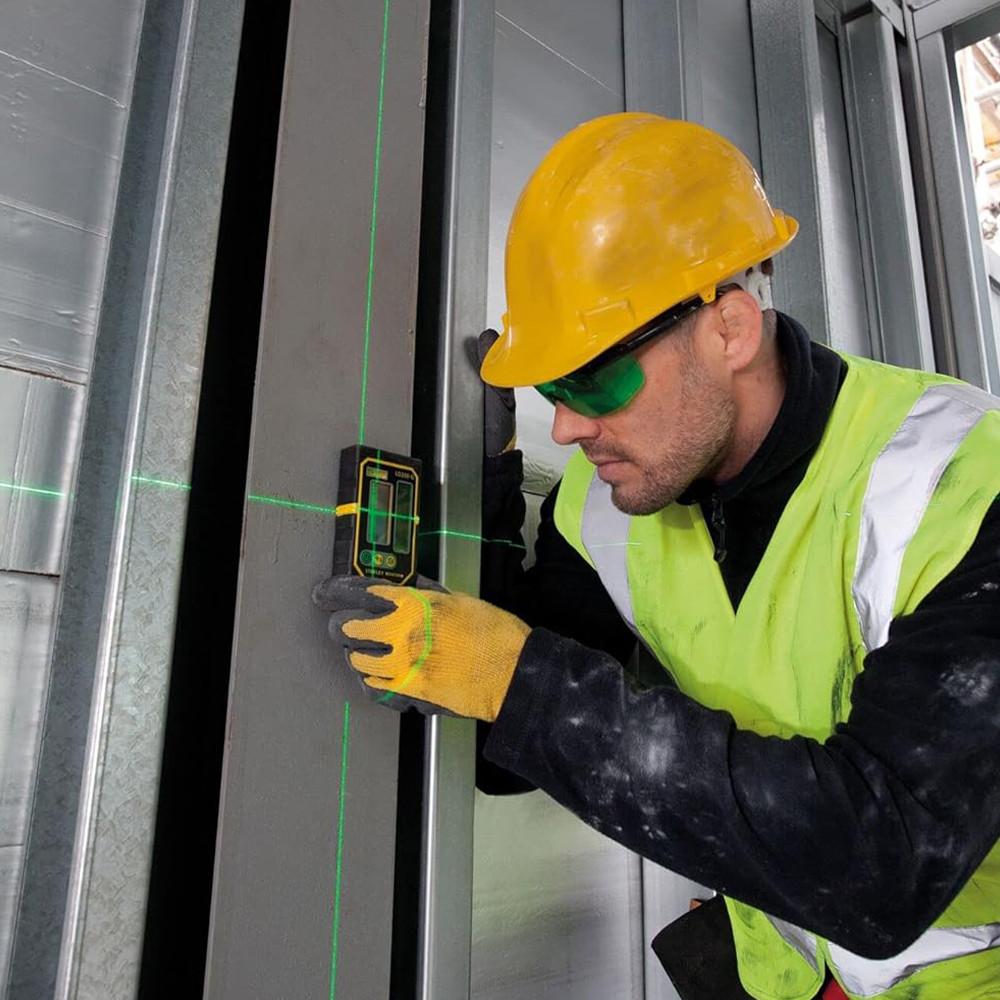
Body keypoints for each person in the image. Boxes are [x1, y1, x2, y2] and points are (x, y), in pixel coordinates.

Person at [312, 114, 1000, 1000]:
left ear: (730, 330)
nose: (567, 426)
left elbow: (883, 869)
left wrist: (517, 680)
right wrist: (485, 502)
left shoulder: (960, 483)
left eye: (594, 380)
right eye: (551, 388)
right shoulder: (605, 503)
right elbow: (511, 741)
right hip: (784, 976)